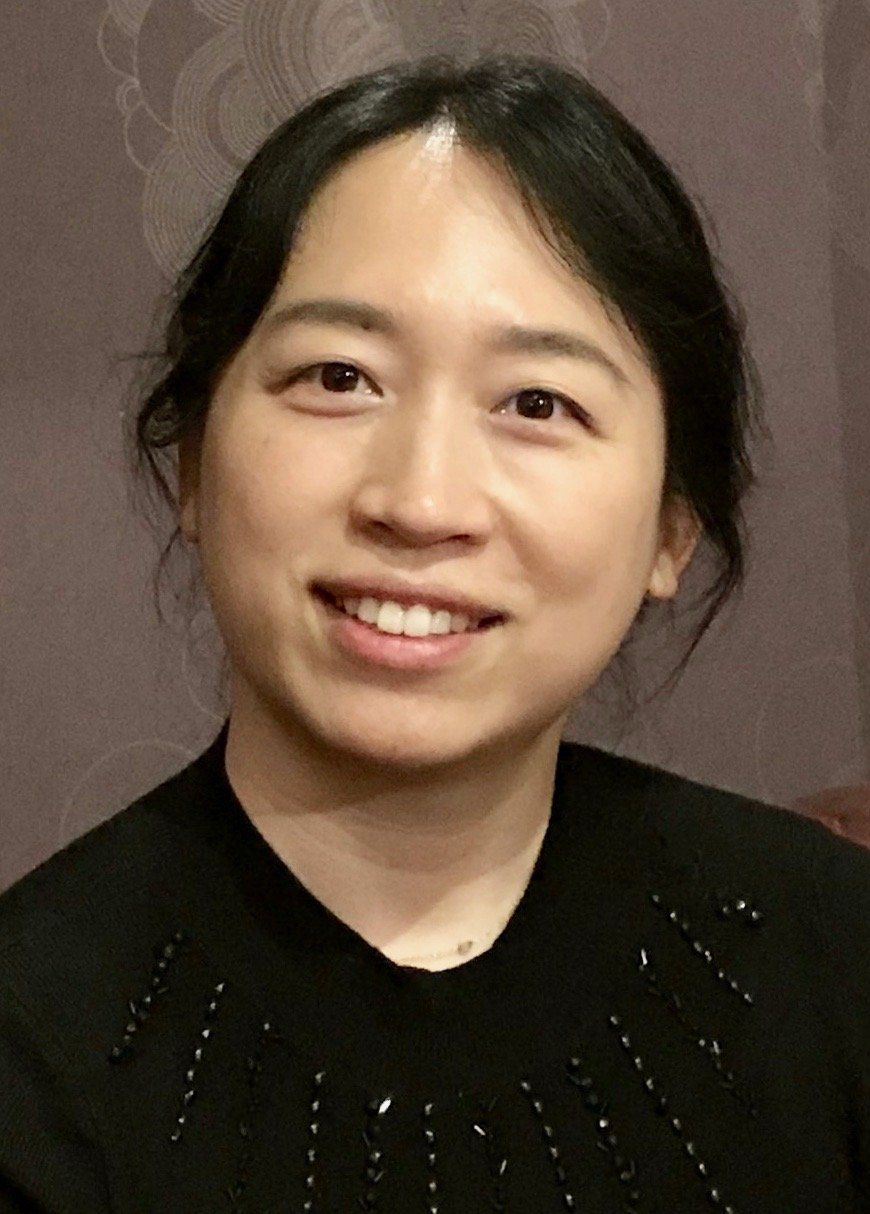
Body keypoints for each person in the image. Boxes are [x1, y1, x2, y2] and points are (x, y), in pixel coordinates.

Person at [1, 51, 867, 1213]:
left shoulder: (832, 949)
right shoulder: (32, 1035)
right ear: (195, 461)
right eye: (338, 376)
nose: (419, 500)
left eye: (537, 403)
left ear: (673, 527)